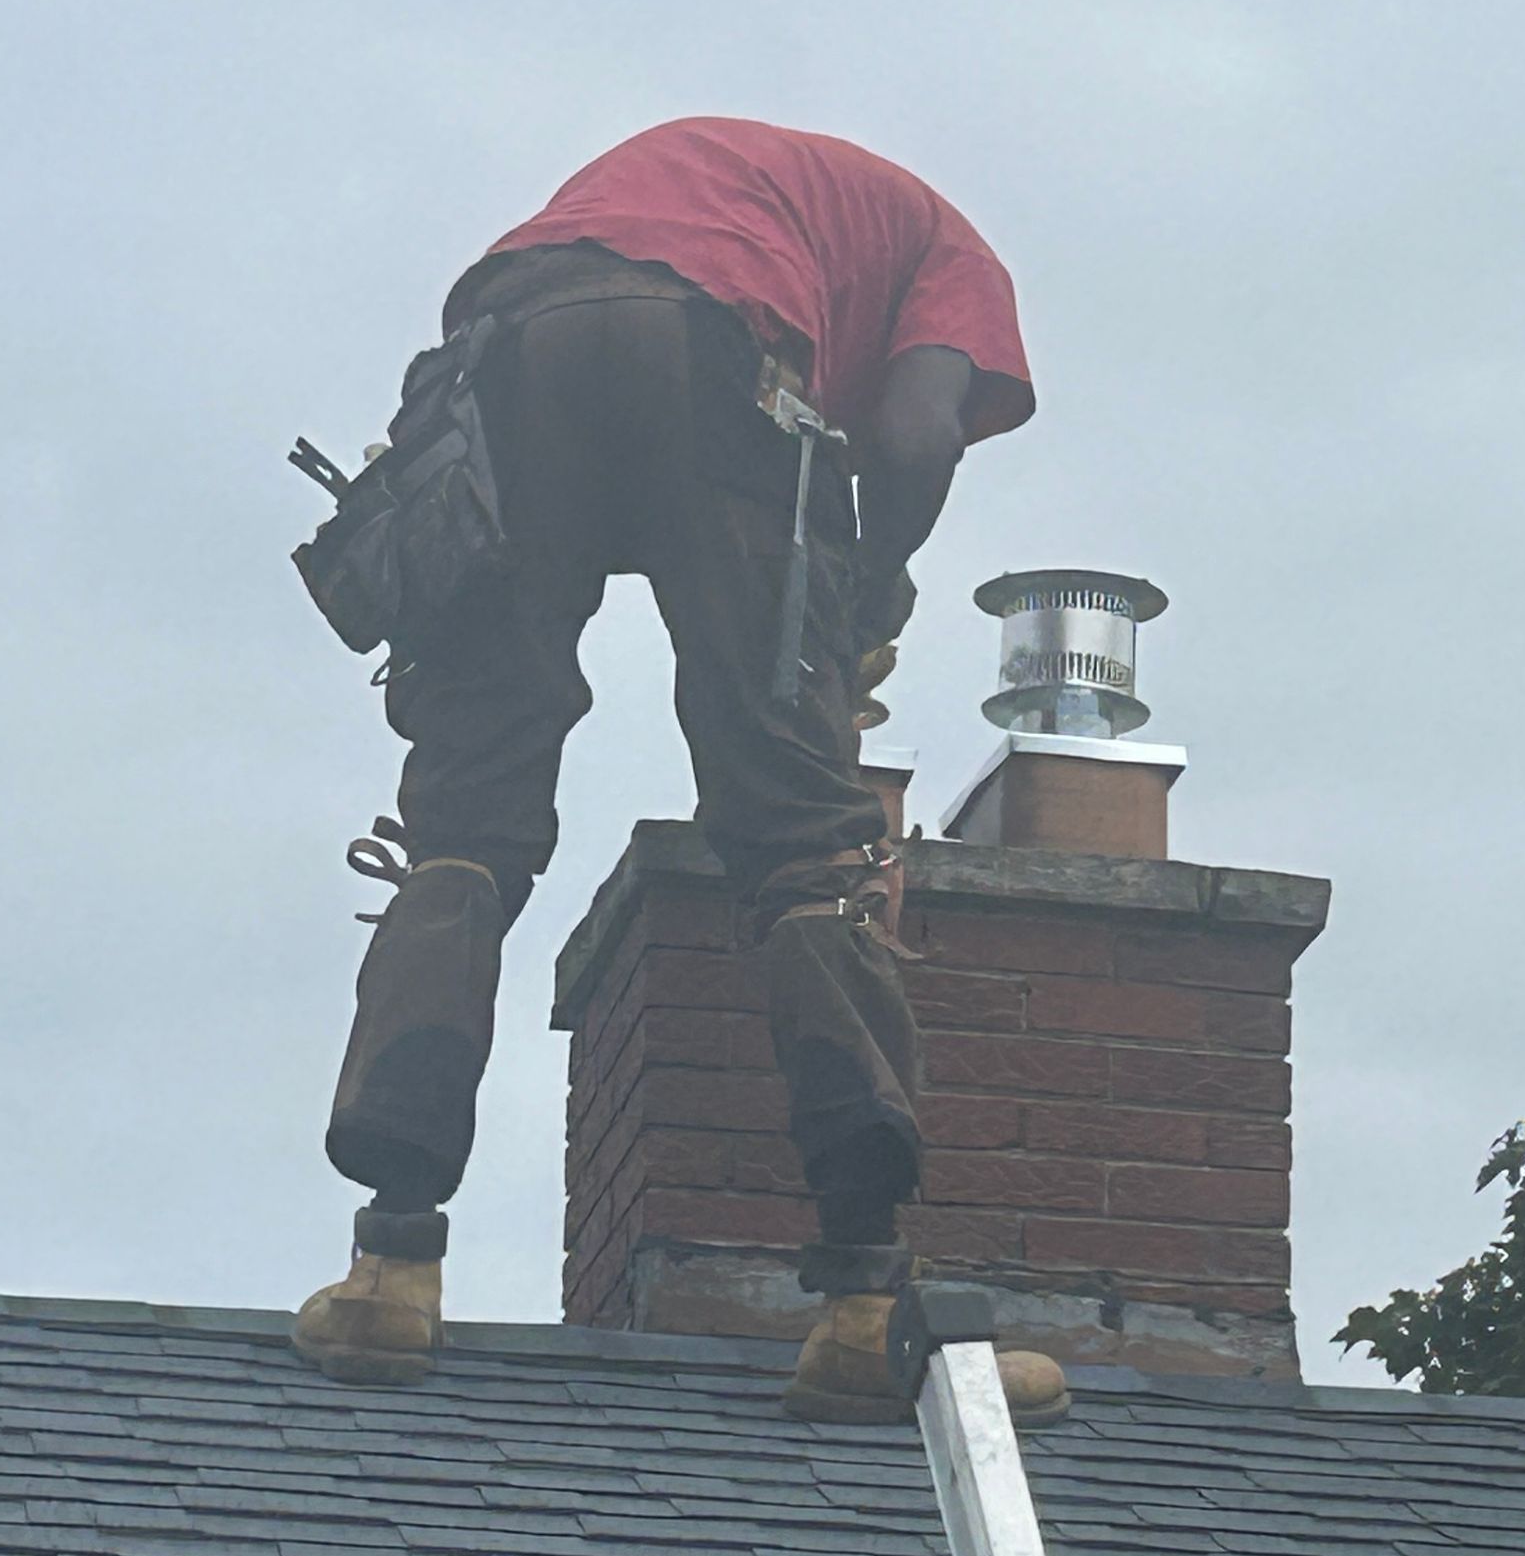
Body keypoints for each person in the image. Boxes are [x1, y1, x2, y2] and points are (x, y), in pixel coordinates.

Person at [292, 118, 1067, 1425]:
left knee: (466, 822)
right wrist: (864, 591)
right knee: (805, 842)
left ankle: (390, 1271)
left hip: (511, 342)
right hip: (715, 342)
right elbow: (917, 436)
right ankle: (864, 1306)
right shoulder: (954, 258)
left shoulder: (751, 190)